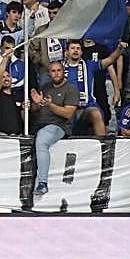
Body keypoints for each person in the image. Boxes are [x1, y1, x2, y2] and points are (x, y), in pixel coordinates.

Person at [31, 61, 81, 197]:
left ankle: (43, 184)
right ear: (49, 74)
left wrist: (51, 105)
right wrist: (35, 104)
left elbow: (68, 113)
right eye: (53, 71)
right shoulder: (45, 87)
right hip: (39, 124)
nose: (56, 73)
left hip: (59, 126)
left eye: (59, 70)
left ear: (63, 72)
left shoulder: (71, 89)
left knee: (41, 140)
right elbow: (36, 109)